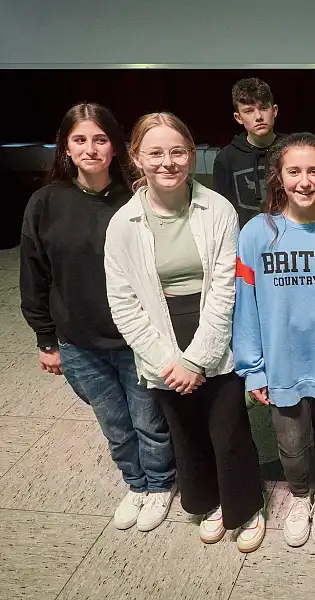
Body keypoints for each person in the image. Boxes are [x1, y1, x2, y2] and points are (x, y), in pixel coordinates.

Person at [105, 112, 266, 553]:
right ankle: (209, 501)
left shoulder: (218, 209)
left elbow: (225, 291)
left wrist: (197, 359)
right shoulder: (123, 223)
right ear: (136, 158)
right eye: (155, 153)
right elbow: (124, 302)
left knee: (227, 429)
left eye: (177, 152)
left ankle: (247, 506)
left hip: (212, 332)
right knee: (186, 431)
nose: (168, 162)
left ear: (192, 155)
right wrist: (167, 362)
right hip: (159, 339)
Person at [20, 103, 177, 532]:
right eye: (80, 140)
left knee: (149, 421)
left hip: (136, 340)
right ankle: (137, 484)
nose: (90, 149)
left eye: (100, 139)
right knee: (114, 424)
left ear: (116, 147)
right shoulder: (45, 202)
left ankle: (161, 484)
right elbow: (34, 274)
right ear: (66, 148)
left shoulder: (139, 199)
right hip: (78, 342)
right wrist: (46, 341)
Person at [233, 133, 315, 548]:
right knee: (291, 442)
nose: (305, 181)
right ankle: (299, 495)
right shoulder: (258, 233)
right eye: (294, 171)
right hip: (281, 365)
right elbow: (247, 306)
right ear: (279, 176)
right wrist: (253, 367)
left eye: (314, 170)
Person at [213, 78, 285, 227]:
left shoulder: (292, 150)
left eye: (264, 108)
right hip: (246, 237)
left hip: (289, 235)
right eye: (249, 111)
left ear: (275, 110)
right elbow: (221, 211)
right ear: (238, 118)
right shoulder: (226, 158)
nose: (258, 117)